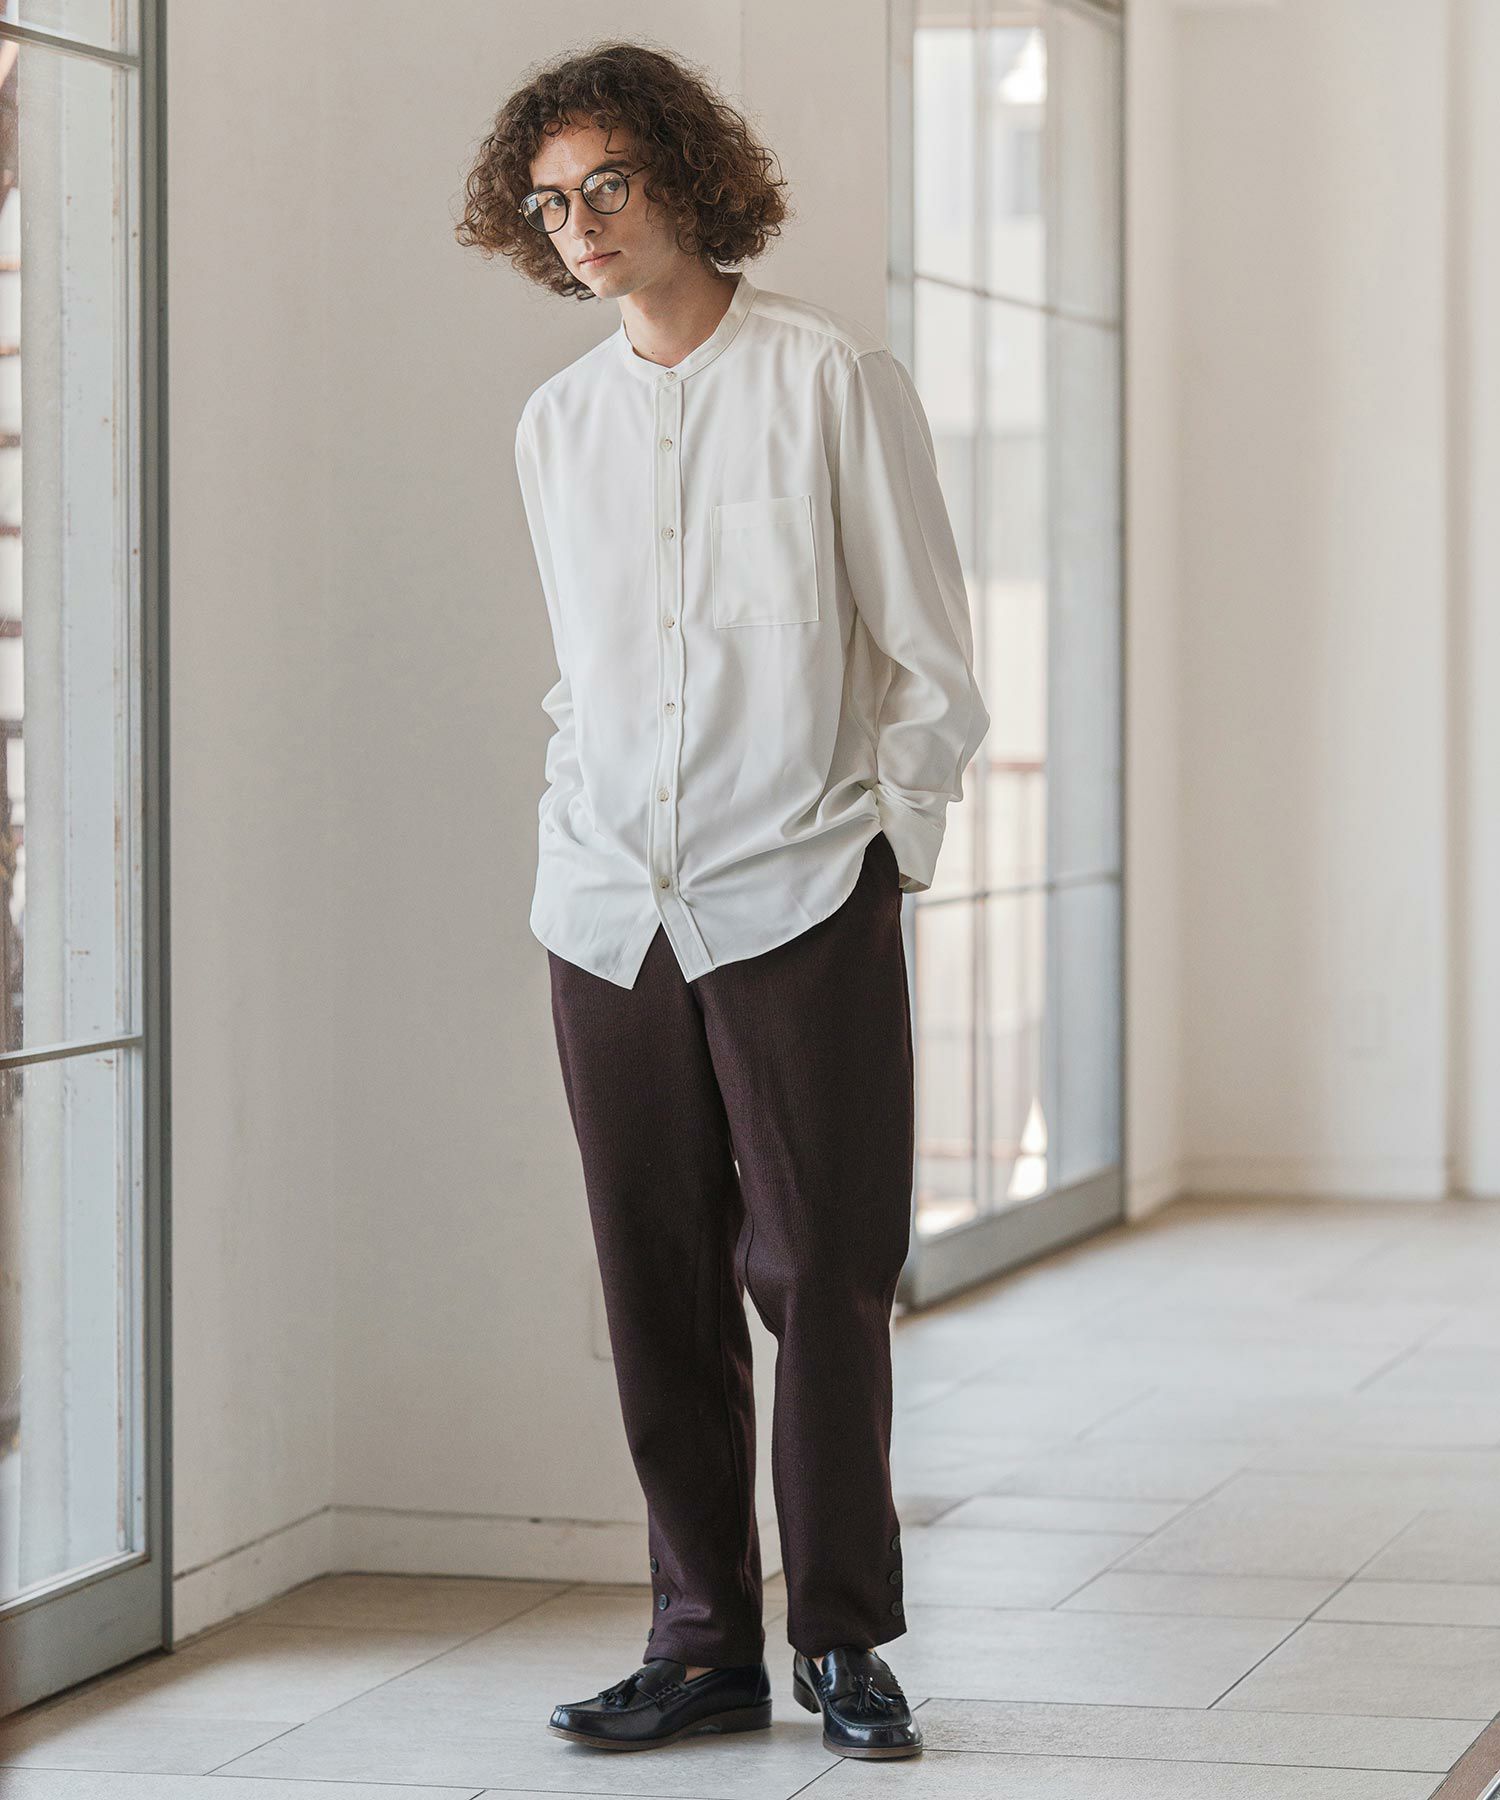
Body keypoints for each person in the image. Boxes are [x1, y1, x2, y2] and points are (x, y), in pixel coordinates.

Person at [456, 38, 988, 1761]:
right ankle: (701, 1646)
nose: (583, 225)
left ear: (686, 175)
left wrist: (887, 857)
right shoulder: (555, 427)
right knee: (654, 1277)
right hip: (607, 912)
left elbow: (930, 662)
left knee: (825, 1269)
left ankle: (842, 1637)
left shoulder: (832, 381)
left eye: (608, 183)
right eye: (552, 203)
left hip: (801, 891)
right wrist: (570, 838)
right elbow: (585, 679)